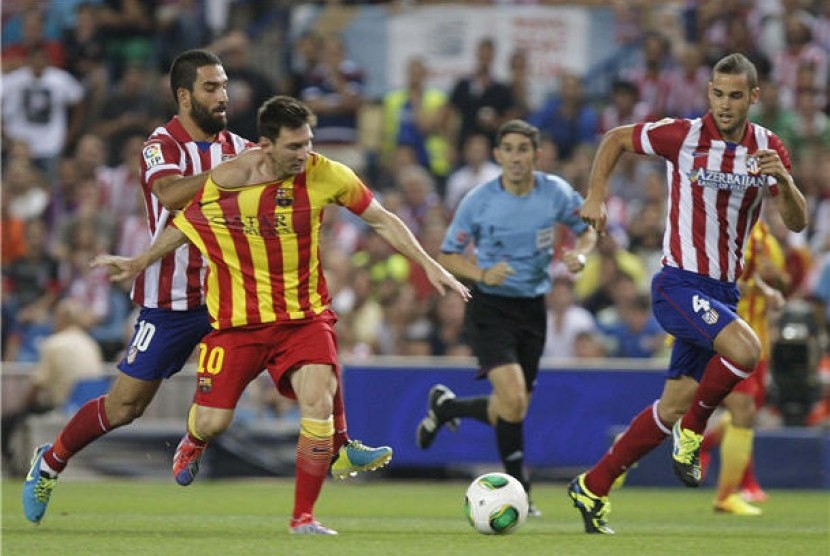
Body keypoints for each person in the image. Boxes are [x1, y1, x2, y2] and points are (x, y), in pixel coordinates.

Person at [20, 50, 389, 526]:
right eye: (211, 88)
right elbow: (172, 195)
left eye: (225, 86)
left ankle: (338, 445)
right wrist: (229, 175)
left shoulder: (240, 146)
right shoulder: (162, 146)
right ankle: (50, 462)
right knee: (125, 405)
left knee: (312, 323)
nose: (223, 96)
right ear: (184, 95)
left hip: (234, 294)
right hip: (170, 300)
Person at [94, 95, 470, 534]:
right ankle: (194, 440)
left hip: (302, 317)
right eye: (294, 147)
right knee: (214, 421)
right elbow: (183, 226)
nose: (304, 154)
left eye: (308, 143)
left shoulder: (326, 174)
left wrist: (430, 262)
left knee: (318, 398)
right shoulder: (228, 179)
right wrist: (140, 261)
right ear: (265, 144)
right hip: (239, 324)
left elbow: (382, 219)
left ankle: (303, 518)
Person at [568, 52, 807, 535]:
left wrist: (783, 180)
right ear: (708, 93)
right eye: (717, 94)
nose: (724, 104)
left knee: (673, 404)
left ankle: (593, 485)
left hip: (722, 292)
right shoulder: (683, 135)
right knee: (746, 350)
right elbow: (615, 139)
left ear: (753, 97)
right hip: (678, 283)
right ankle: (694, 432)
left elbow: (797, 222)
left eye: (735, 96)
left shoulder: (767, 148)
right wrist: (595, 195)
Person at [416, 119, 597, 515]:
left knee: (512, 408)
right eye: (509, 149)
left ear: (537, 154)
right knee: (514, 399)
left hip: (533, 308)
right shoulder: (479, 200)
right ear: (498, 155)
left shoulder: (555, 193)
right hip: (490, 306)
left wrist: (580, 253)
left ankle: (447, 408)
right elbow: (447, 255)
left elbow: (588, 229)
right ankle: (524, 494)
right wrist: (481, 273)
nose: (516, 157)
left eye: (523, 149)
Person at [699, 219, 787, 514]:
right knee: (742, 408)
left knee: (746, 410)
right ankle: (736, 488)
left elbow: (770, 277)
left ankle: (705, 447)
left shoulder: (761, 230)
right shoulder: (721, 224)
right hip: (727, 334)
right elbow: (719, 283)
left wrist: (772, 286)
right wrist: (759, 289)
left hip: (757, 337)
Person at [2, 298, 105, 465]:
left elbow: (37, 384)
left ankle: (14, 467)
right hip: (92, 407)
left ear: (61, 319)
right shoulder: (90, 343)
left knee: (10, 420)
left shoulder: (54, 344)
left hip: (67, 406)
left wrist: (23, 406)